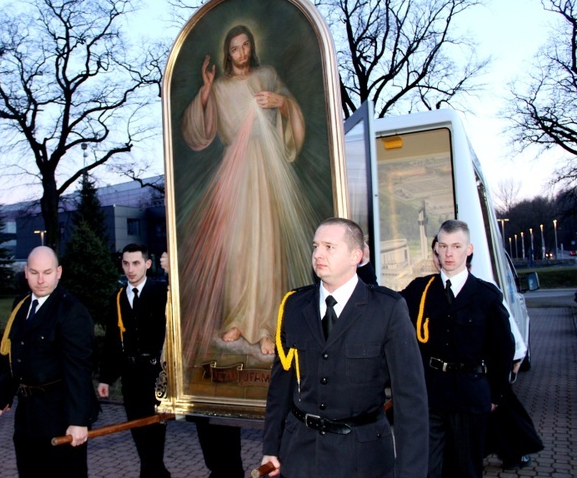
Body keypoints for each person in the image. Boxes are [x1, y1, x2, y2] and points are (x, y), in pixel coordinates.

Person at [179, 24, 316, 361]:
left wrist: (280, 101)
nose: (240, 53)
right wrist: (207, 91)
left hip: (266, 167)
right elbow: (200, 132)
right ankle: (237, 319)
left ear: (252, 47)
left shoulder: (267, 74)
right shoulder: (222, 87)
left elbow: (292, 111)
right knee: (237, 246)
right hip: (235, 171)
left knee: (266, 244)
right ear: (228, 53)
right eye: (234, 48)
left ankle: (268, 326)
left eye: (245, 46)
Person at [262, 217, 428, 477]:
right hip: (300, 454)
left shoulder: (387, 309)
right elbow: (280, 386)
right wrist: (271, 447)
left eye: (329, 247)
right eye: (315, 246)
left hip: (362, 457)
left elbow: (411, 400)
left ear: (356, 256)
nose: (318, 254)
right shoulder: (294, 305)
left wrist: (411, 472)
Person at [400, 220, 514, 478]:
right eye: (443, 246)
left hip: (470, 395)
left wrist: (495, 395)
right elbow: (384, 305)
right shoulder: (420, 290)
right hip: (431, 393)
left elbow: (503, 349)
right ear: (436, 249)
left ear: (469, 249)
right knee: (427, 468)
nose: (449, 253)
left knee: (465, 469)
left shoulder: (486, 296)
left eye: (456, 246)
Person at [0, 246, 99, 477]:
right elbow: (15, 351)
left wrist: (78, 420)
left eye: (47, 272)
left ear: (59, 272)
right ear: (25, 272)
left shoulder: (72, 311)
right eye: (34, 272)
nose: (40, 280)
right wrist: (5, 393)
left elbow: (79, 369)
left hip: (60, 414)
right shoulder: (21, 306)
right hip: (28, 416)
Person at [160, 251, 245, 478]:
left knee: (227, 444)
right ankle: (218, 471)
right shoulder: (196, 288)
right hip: (198, 374)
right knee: (209, 442)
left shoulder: (228, 287)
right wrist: (173, 275)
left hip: (223, 375)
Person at [98, 244, 171, 478]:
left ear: (148, 264)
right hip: (130, 377)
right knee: (138, 432)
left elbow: (185, 297)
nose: (130, 269)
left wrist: (171, 272)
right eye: (126, 263)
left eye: (136, 263)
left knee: (154, 434)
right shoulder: (118, 298)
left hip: (156, 376)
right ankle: (158, 474)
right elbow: (111, 340)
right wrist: (106, 378)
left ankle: (152, 474)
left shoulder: (161, 292)